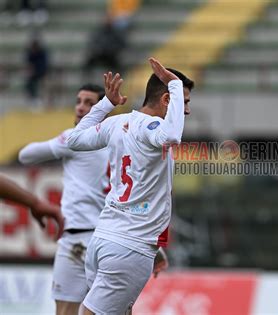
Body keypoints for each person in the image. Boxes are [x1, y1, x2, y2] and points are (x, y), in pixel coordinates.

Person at [67, 57, 194, 314]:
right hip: (129, 248)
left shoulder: (117, 122)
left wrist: (106, 104)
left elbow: (74, 138)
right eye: (185, 103)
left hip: (103, 240)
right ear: (167, 99)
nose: (187, 110)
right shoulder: (153, 127)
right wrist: (176, 86)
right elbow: (171, 135)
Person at [18, 84, 110, 315]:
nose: (81, 107)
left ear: (102, 110)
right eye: (79, 101)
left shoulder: (72, 140)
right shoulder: (121, 140)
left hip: (77, 240)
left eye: (89, 103)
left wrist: (61, 142)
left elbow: (25, 155)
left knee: (66, 311)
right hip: (112, 240)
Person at [25, 35, 49, 107]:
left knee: (45, 84)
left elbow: (45, 65)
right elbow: (29, 65)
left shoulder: (43, 53)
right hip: (34, 74)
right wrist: (30, 72)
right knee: (29, 83)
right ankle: (33, 99)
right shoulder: (30, 53)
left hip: (42, 73)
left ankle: (44, 101)